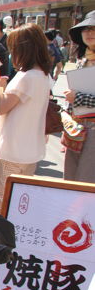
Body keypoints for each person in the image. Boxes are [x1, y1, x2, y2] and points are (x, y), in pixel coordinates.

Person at [0, 24, 51, 210]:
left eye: (14, 48)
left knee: (2, 203)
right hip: (31, 152)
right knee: (19, 203)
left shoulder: (26, 77)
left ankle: (2, 239)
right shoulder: (43, 75)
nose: (12, 53)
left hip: (12, 151)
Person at [62, 10, 95, 183]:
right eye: (85, 29)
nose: (89, 33)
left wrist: (79, 97)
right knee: (70, 179)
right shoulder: (82, 60)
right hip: (76, 129)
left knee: (86, 183)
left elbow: (78, 96)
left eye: (93, 28)